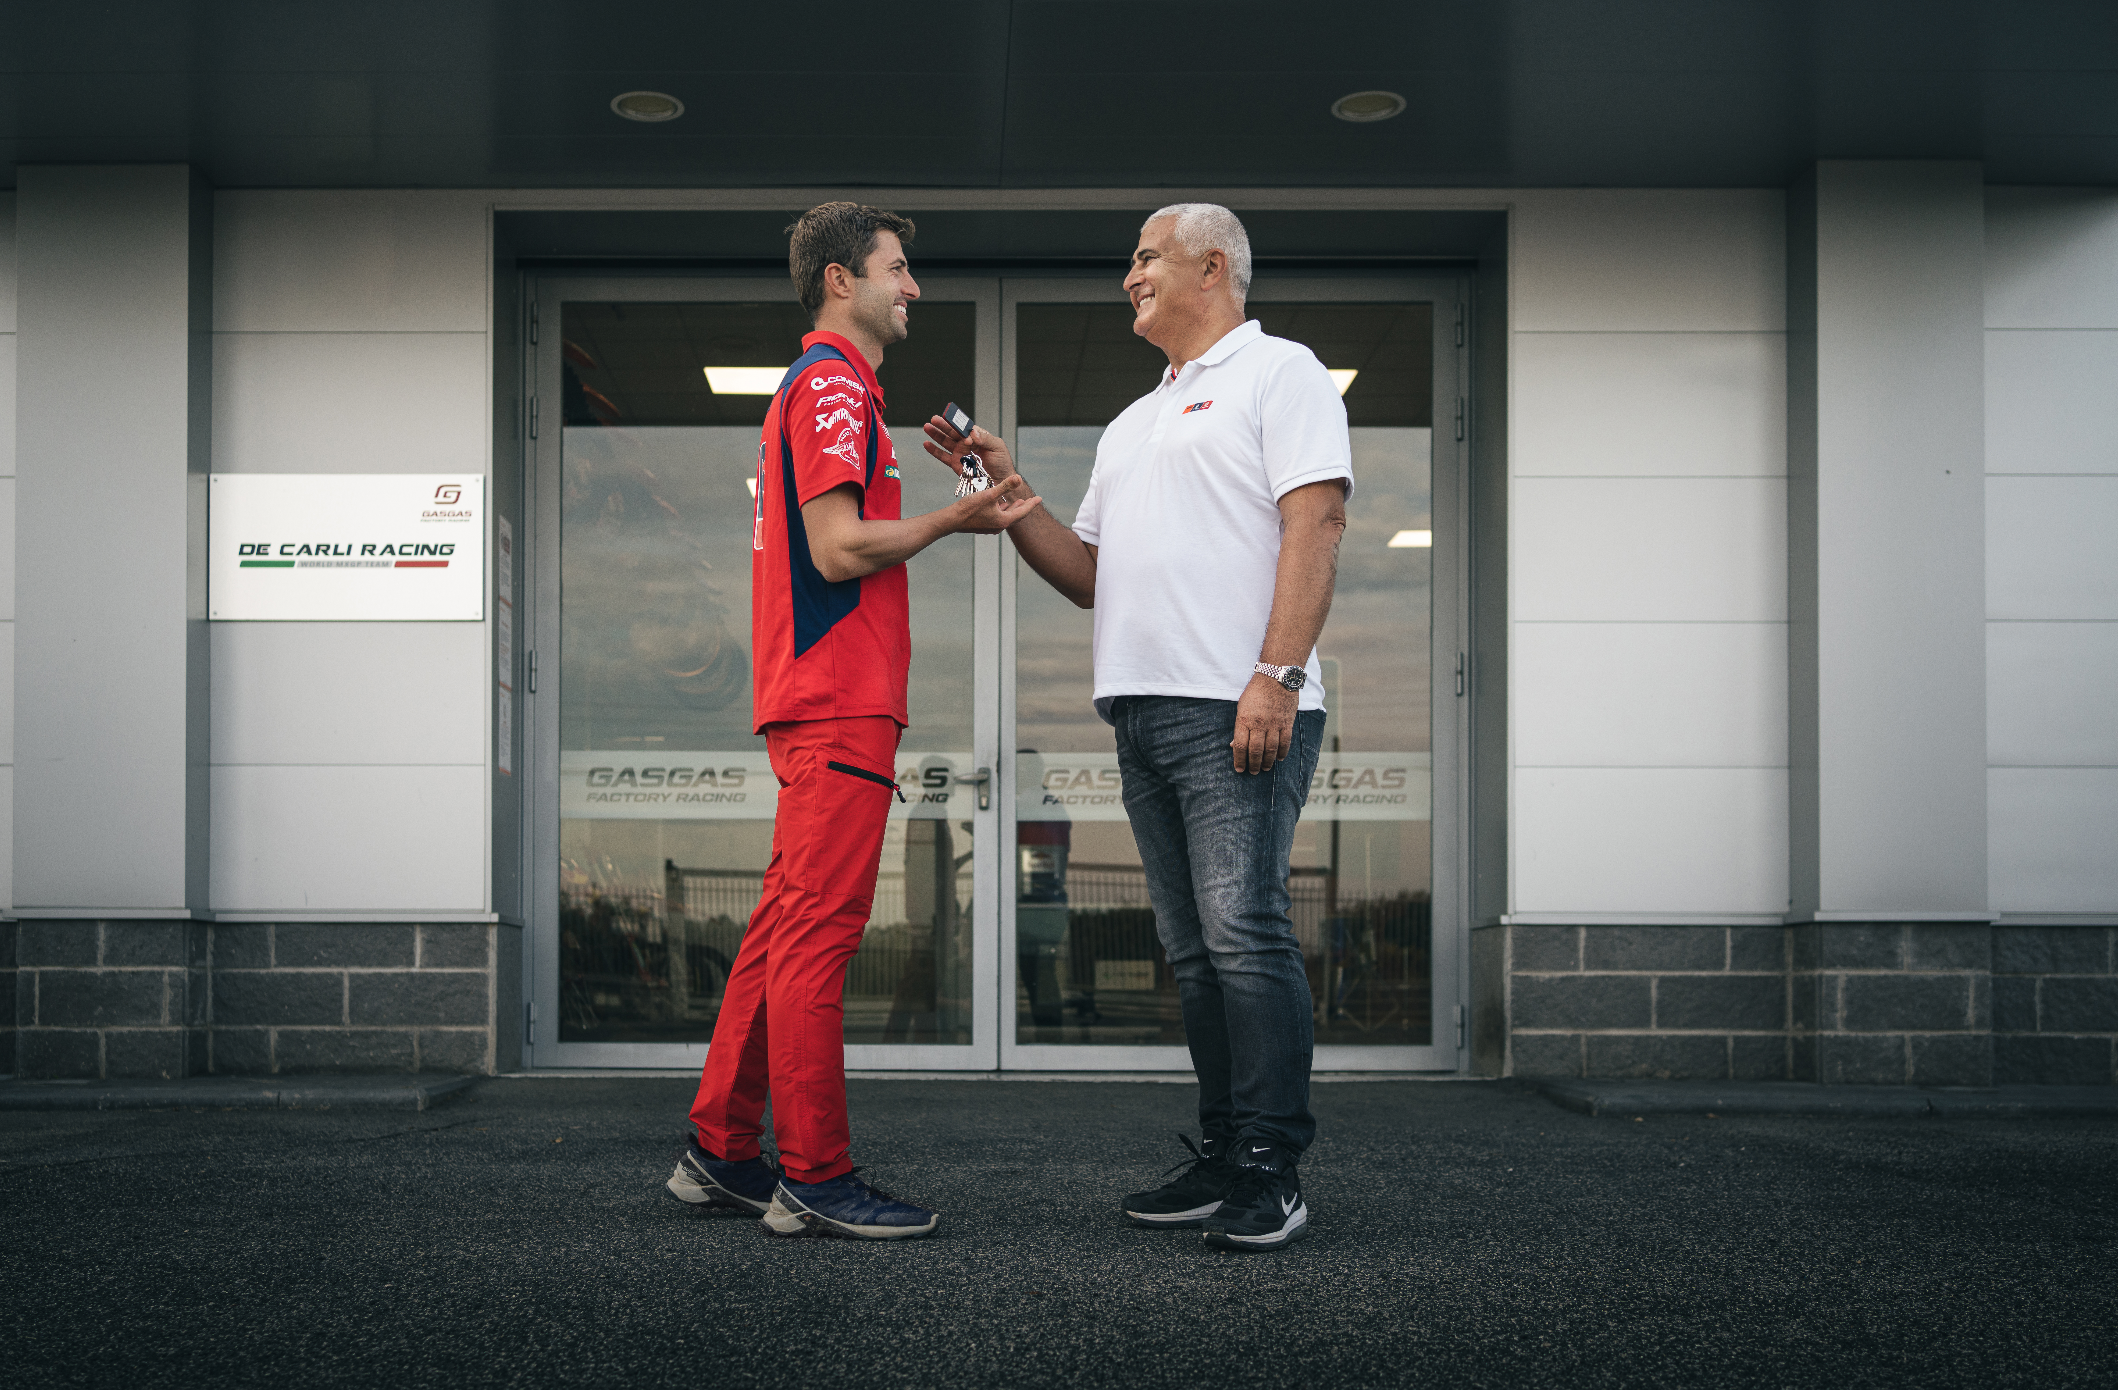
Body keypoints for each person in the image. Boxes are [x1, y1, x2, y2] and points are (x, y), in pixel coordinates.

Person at [925, 203, 1350, 1251]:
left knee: (1245, 933)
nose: (1129, 276)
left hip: (1240, 702)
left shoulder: (1278, 372)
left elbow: (1319, 518)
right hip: (1144, 711)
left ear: (1214, 267)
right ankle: (1223, 1150)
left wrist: (1276, 675)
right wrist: (1001, 489)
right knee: (1196, 951)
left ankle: (1271, 1164)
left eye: (1145, 258)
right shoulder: (1131, 423)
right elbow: (1088, 576)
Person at [668, 203, 1039, 1240]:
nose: (913, 286)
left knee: (783, 929)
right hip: (838, 700)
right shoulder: (832, 383)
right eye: (897, 268)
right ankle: (815, 1177)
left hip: (819, 697)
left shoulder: (833, 391)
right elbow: (836, 549)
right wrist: (955, 518)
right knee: (817, 941)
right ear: (842, 280)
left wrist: (954, 498)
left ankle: (722, 1149)